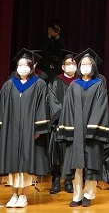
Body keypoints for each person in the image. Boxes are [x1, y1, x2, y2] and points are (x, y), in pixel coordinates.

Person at [56, 48, 109, 207]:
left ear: (93, 66)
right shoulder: (74, 85)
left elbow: (101, 108)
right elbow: (68, 108)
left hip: (92, 133)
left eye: (88, 64)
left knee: (91, 165)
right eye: (83, 64)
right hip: (76, 132)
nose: (85, 67)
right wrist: (70, 128)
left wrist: (92, 128)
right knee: (77, 165)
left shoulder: (99, 85)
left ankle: (88, 194)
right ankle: (77, 195)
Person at [0, 49, 51, 208]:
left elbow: (42, 108)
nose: (22, 67)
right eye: (19, 65)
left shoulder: (39, 84)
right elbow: (3, 108)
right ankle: (14, 194)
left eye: (25, 65)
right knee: (12, 163)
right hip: (12, 130)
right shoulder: (9, 85)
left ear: (32, 67)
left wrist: (38, 129)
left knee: (26, 163)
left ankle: (24, 195)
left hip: (29, 131)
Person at [47, 49, 77, 194]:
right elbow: (53, 102)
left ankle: (69, 180)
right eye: (68, 63)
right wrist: (62, 117)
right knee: (56, 152)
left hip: (75, 124)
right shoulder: (55, 81)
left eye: (74, 63)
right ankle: (56, 180)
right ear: (63, 67)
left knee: (70, 152)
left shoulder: (79, 82)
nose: (71, 66)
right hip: (59, 123)